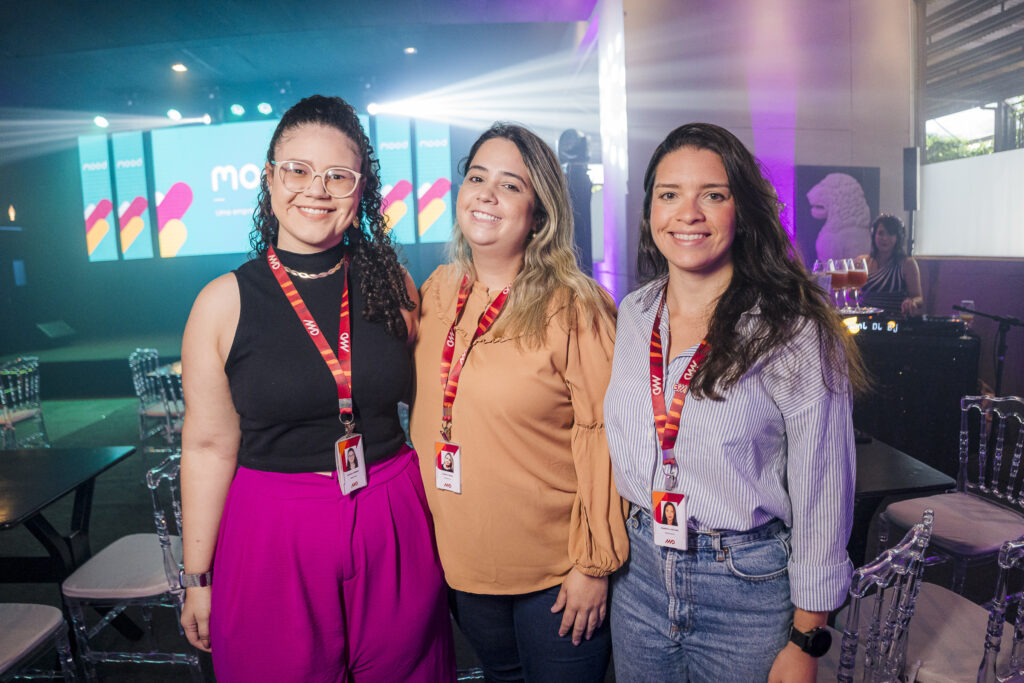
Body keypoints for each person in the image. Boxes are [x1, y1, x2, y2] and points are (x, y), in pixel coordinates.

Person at [178, 95, 454, 683]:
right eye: (298, 170)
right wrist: (197, 577)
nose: (316, 189)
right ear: (270, 179)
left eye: (338, 175)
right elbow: (205, 448)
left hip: (391, 510)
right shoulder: (221, 303)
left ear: (362, 190)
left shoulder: (391, 282)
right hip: (272, 525)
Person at [604, 123, 867, 682]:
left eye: (713, 195)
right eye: (669, 194)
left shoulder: (792, 329)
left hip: (746, 587)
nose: (688, 213)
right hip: (641, 574)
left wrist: (806, 638)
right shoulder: (633, 313)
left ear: (741, 209)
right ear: (651, 209)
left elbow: (825, 489)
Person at [409, 123, 629, 682]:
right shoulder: (437, 291)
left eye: (510, 185)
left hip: (556, 575)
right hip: (462, 565)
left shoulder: (575, 307)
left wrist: (593, 564)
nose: (486, 193)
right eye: (477, 177)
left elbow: (605, 436)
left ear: (541, 211)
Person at [857, 214, 923, 315]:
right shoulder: (862, 261)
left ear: (898, 237)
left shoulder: (907, 264)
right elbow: (851, 292)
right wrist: (850, 293)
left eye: (890, 234)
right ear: (874, 235)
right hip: (864, 320)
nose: (884, 238)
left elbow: (919, 298)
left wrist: (912, 302)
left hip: (894, 320)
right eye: (881, 233)